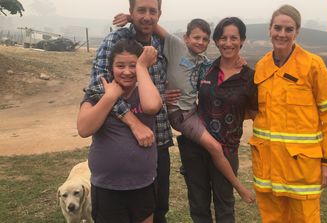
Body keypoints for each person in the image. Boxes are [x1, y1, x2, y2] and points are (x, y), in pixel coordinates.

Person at [113, 14, 254, 203]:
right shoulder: (176, 46)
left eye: (205, 39)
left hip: (192, 111)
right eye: (196, 37)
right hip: (180, 114)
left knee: (212, 145)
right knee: (214, 147)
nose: (200, 42)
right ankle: (240, 188)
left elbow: (222, 64)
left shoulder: (203, 60)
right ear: (186, 38)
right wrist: (132, 17)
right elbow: (155, 27)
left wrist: (240, 61)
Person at [250, 5, 327, 222]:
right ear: (269, 29)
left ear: (297, 32)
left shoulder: (313, 65)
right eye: (277, 28)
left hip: (301, 168)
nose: (282, 34)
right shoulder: (262, 66)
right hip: (268, 166)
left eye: (288, 29)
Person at [85, 0, 173, 222]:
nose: (147, 16)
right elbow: (98, 87)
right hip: (124, 139)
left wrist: (165, 93)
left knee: (158, 207)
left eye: (152, 11)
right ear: (131, 12)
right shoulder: (117, 40)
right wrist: (134, 122)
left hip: (158, 137)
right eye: (141, 10)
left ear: (159, 14)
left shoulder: (159, 43)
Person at [176, 17, 257, 223]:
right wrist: (167, 95)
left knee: (224, 205)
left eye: (233, 38)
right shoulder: (206, 68)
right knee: (198, 204)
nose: (228, 43)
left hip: (227, 149)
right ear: (216, 41)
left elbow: (254, 112)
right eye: (222, 38)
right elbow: (184, 85)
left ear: (242, 41)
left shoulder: (250, 78)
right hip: (195, 146)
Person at [77, 39, 162, 223]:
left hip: (143, 184)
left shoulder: (146, 91)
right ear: (111, 67)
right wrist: (109, 97)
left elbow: (152, 106)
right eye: (120, 65)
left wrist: (142, 67)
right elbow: (84, 129)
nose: (127, 71)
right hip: (107, 186)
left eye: (133, 65)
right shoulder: (96, 94)